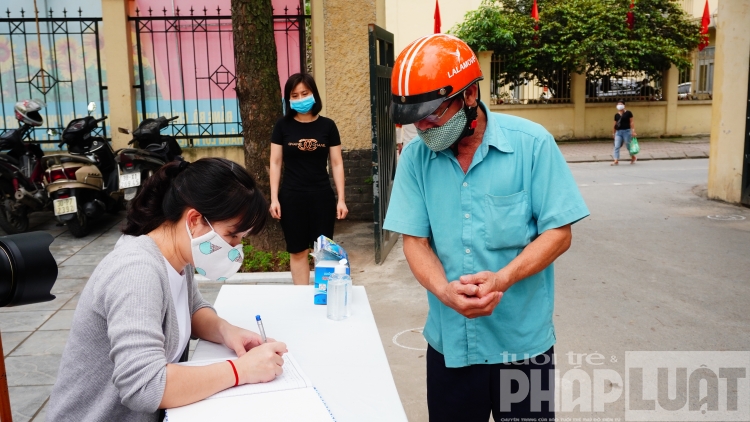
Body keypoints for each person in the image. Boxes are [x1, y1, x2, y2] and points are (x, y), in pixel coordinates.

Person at [383, 34, 590, 422]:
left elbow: (559, 234)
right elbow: (414, 241)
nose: (425, 128)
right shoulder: (415, 158)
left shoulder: (532, 145)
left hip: (522, 347)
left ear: (471, 95)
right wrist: (444, 290)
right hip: (450, 345)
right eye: (416, 119)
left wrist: (503, 279)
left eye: (434, 114)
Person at [47, 158, 288, 421]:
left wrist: (226, 331)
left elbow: (191, 308)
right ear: (195, 220)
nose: (235, 249)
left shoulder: (177, 257)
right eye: (231, 236)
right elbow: (144, 386)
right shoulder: (136, 270)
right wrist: (239, 370)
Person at [269, 73, 348, 285]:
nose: (300, 98)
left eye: (305, 93)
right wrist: (274, 198)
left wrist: (341, 198)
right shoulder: (282, 127)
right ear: (289, 99)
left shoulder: (328, 126)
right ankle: (301, 298)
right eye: (295, 95)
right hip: (291, 198)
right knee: (297, 251)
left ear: (314, 94)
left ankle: (323, 296)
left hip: (321, 197)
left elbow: (337, 163)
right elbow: (275, 163)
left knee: (324, 252)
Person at [612, 100, 637, 165]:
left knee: (628, 145)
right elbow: (615, 125)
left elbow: (631, 122)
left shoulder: (628, 113)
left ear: (624, 105)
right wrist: (613, 133)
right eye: (618, 104)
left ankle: (633, 156)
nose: (619, 105)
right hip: (618, 132)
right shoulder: (616, 115)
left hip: (627, 131)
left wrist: (633, 131)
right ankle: (616, 159)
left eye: (621, 104)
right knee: (616, 146)